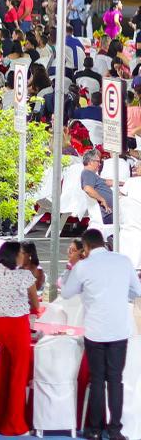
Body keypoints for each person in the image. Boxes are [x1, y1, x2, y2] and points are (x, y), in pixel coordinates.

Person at [62, 228, 141, 440]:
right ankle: (115, 430)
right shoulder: (123, 261)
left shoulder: (83, 266)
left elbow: (67, 292)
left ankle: (95, 430)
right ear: (103, 242)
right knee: (115, 380)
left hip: (96, 330)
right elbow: (137, 291)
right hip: (119, 330)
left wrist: (73, 265)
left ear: (85, 248)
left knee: (97, 379)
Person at [0, 241, 40, 437]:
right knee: (18, 375)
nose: (23, 256)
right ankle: (15, 423)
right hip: (17, 326)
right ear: (14, 255)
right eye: (21, 253)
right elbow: (35, 303)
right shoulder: (25, 276)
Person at [81, 148, 115, 223]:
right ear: (90, 162)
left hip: (112, 212)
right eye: (98, 161)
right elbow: (87, 188)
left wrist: (124, 183)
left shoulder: (92, 175)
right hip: (108, 214)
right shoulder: (87, 173)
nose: (100, 164)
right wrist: (102, 199)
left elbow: (107, 182)